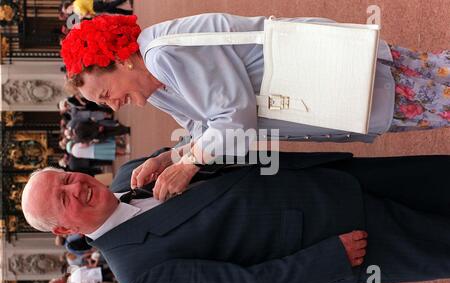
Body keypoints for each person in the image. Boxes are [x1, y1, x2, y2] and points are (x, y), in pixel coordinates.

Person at [61, 13, 450, 197]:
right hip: (338, 92)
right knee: (439, 78)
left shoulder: (163, 56)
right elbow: (204, 126)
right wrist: (171, 157)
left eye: (103, 93)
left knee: (441, 90)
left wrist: (191, 164)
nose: (111, 106)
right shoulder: (157, 83)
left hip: (342, 82)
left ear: (117, 60)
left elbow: (235, 119)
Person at [21, 149, 450, 283]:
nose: (75, 187)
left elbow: (217, 151)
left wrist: (175, 156)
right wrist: (328, 261)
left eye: (65, 178)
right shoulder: (140, 279)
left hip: (331, 177)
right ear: (63, 230)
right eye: (63, 198)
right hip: (344, 237)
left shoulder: (132, 172)